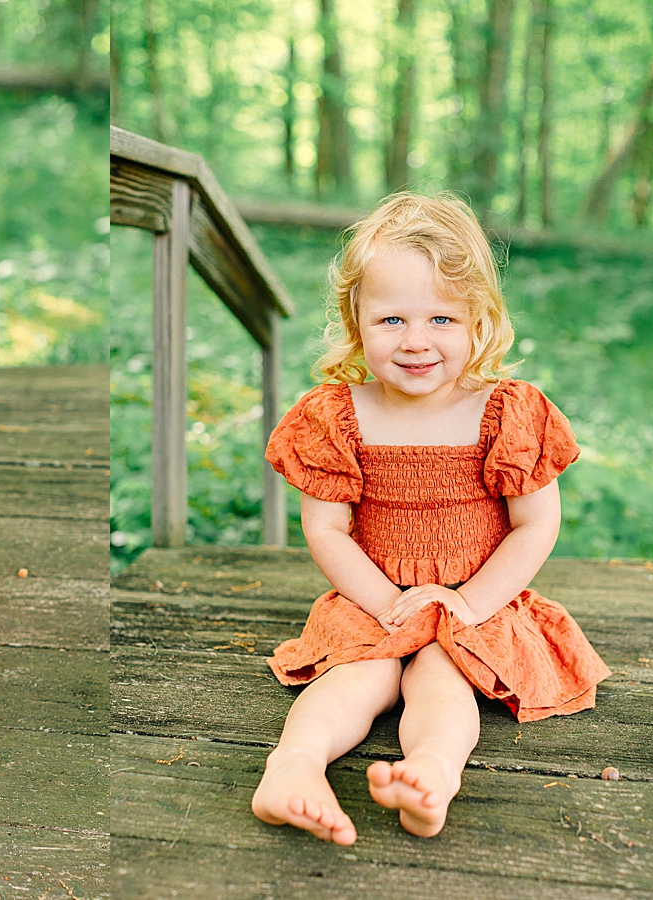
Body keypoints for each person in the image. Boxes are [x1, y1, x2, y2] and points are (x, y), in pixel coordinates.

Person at [251, 193, 610, 845]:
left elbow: (535, 526)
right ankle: (293, 766)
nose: (416, 341)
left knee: (444, 678)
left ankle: (431, 775)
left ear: (480, 320)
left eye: (442, 318)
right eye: (391, 319)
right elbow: (326, 529)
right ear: (356, 320)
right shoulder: (338, 416)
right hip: (375, 597)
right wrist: (386, 602)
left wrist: (468, 603)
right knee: (359, 676)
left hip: (475, 601)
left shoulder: (506, 413)